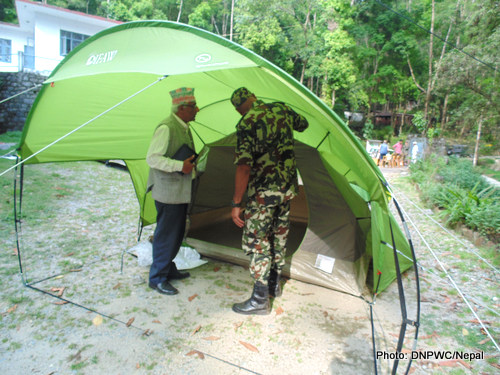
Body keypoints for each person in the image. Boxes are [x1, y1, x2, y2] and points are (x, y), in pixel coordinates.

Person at [229, 87, 309, 315]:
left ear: (238, 109)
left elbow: (244, 167)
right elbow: (303, 125)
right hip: (287, 191)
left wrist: (236, 204)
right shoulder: (281, 108)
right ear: (254, 97)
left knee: (257, 241)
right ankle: (274, 284)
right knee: (279, 235)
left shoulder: (246, 124)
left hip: (263, 195)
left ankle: (259, 300)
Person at [145, 87, 199, 295]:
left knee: (176, 234)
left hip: (178, 190)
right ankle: (157, 277)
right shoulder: (167, 127)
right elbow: (152, 158)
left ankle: (168, 268)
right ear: (182, 108)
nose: (197, 110)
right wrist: (180, 166)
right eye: (194, 106)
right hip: (168, 192)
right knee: (166, 234)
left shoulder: (184, 127)